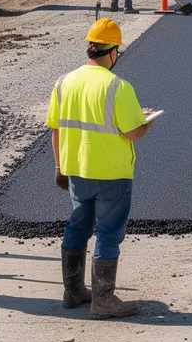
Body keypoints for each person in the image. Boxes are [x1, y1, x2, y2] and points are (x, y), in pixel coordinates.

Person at [47, 18, 156, 319]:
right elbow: (133, 132)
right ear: (112, 52)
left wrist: (59, 167)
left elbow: (55, 130)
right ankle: (104, 301)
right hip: (111, 173)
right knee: (108, 233)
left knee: (77, 227)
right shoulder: (117, 87)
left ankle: (72, 292)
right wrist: (147, 121)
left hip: (76, 172)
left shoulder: (63, 82)